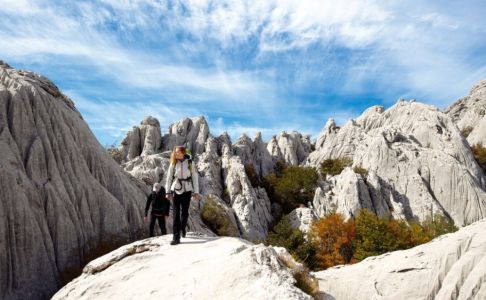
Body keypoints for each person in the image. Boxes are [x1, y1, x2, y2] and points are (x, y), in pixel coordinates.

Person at [165, 146, 200, 245]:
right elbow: (168, 178)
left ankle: (182, 228)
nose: (176, 154)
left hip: (187, 190)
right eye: (175, 152)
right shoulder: (173, 163)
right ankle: (176, 238)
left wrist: (196, 192)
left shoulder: (190, 163)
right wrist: (167, 192)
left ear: (183, 153)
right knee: (176, 214)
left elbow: (195, 178)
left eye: (178, 152)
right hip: (176, 189)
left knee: (184, 213)